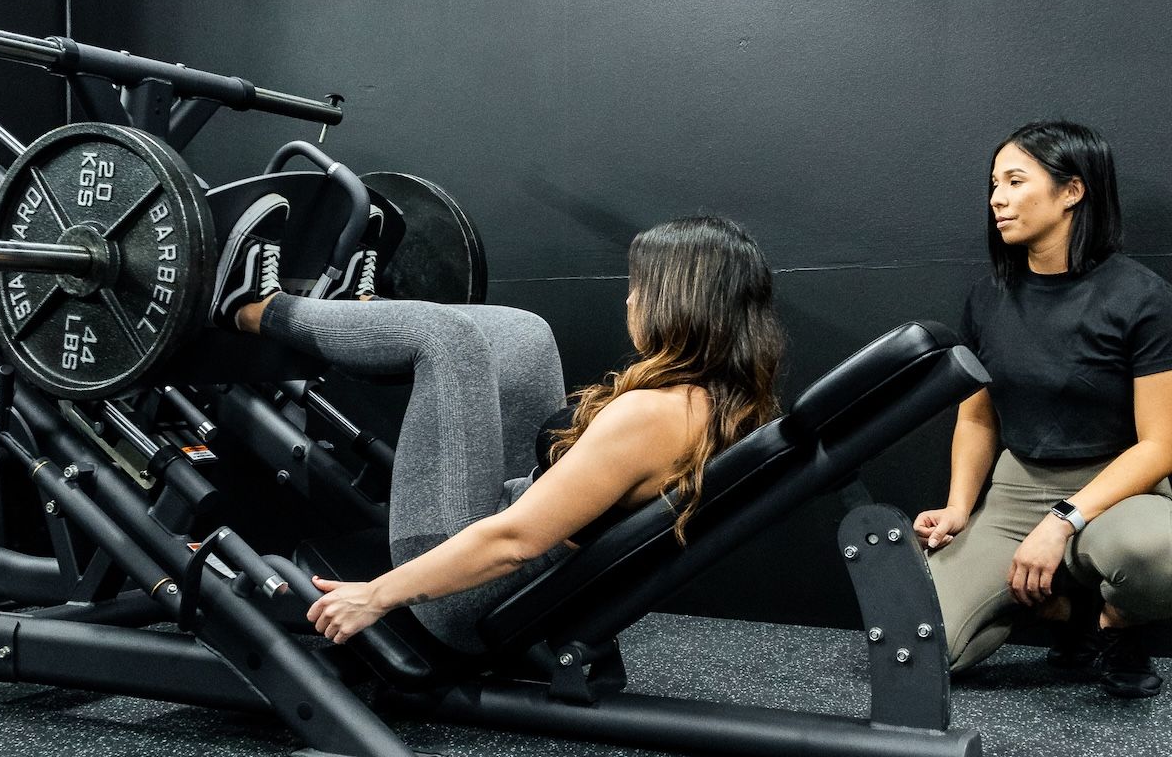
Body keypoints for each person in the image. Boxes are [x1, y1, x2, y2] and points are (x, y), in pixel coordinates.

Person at [208, 203, 783, 650]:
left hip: (469, 601)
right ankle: (352, 316)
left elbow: (514, 541)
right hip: (524, 570)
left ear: (676, 300)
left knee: (445, 341)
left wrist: (375, 596)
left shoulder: (653, 415)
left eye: (640, 286)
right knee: (525, 334)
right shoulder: (719, 404)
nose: (629, 298)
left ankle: (251, 308)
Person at [914, 120, 1172, 697]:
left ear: (1072, 191)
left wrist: (1061, 521)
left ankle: (1117, 623)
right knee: (927, 652)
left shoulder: (1141, 296)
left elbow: (1161, 444)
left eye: (1014, 181)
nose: (996, 199)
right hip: (1018, 486)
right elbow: (978, 417)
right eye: (992, 184)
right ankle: (1067, 612)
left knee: (1160, 554)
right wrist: (959, 507)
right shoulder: (987, 297)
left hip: (1119, 489)